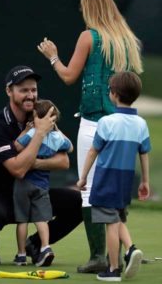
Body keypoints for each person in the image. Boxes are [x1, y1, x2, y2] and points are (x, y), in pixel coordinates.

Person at [37, 0, 143, 273]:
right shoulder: (126, 40)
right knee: (116, 190)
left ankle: (99, 256)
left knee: (89, 189)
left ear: (91, 10)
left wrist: (52, 56)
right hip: (125, 122)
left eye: (85, 10)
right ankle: (118, 254)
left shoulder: (89, 36)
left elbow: (69, 76)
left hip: (96, 121)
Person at [0, 65, 82, 266]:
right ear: (9, 91)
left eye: (33, 90)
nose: (30, 95)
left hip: (34, 191)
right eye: (23, 90)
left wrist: (33, 160)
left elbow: (64, 160)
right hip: (0, 194)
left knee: (78, 202)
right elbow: (17, 169)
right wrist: (39, 134)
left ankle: (35, 245)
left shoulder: (41, 116)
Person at [77, 71, 150, 281]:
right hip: (125, 181)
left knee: (110, 224)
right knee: (118, 218)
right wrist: (144, 181)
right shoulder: (141, 124)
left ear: (114, 94)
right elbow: (144, 154)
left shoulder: (106, 122)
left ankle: (113, 269)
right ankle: (131, 248)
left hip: (106, 179)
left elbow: (93, 151)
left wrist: (82, 178)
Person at [13, 99, 73, 266]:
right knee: (41, 219)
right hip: (42, 185)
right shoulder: (57, 138)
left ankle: (21, 255)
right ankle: (45, 247)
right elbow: (70, 148)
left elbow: (16, 146)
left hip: (23, 182)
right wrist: (57, 130)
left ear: (35, 116)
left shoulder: (32, 133)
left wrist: (26, 130)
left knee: (22, 220)